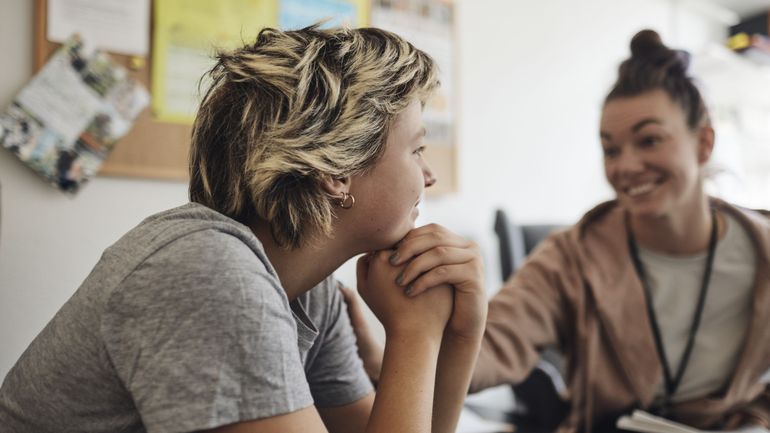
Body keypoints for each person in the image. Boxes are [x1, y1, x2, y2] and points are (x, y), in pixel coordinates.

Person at [0, 25, 486, 433]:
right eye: (417, 149)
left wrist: (462, 331)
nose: (429, 176)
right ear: (338, 169)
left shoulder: (307, 292)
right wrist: (415, 335)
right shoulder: (206, 271)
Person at [347, 29, 770, 433]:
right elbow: (496, 342)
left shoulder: (762, 248)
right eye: (610, 149)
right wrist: (393, 360)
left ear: (704, 143)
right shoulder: (574, 254)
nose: (625, 166)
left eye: (650, 141)